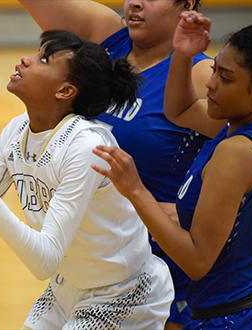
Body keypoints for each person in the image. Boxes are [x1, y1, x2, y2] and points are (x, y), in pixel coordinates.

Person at [0, 30, 174, 329]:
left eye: (43, 59)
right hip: (65, 286)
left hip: (123, 293)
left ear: (65, 91)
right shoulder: (16, 131)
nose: (25, 60)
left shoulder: (87, 148)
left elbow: (44, 260)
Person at [91, 5, 252, 330]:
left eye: (225, 78)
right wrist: (183, 55)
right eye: (214, 70)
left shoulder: (235, 152)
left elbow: (197, 261)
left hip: (238, 316)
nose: (211, 84)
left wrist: (135, 190)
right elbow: (181, 109)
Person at [18, 1, 214, 328]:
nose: (135, 2)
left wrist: (193, 211)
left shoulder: (197, 73)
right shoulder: (107, 36)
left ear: (187, 5)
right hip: (90, 265)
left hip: (156, 275)